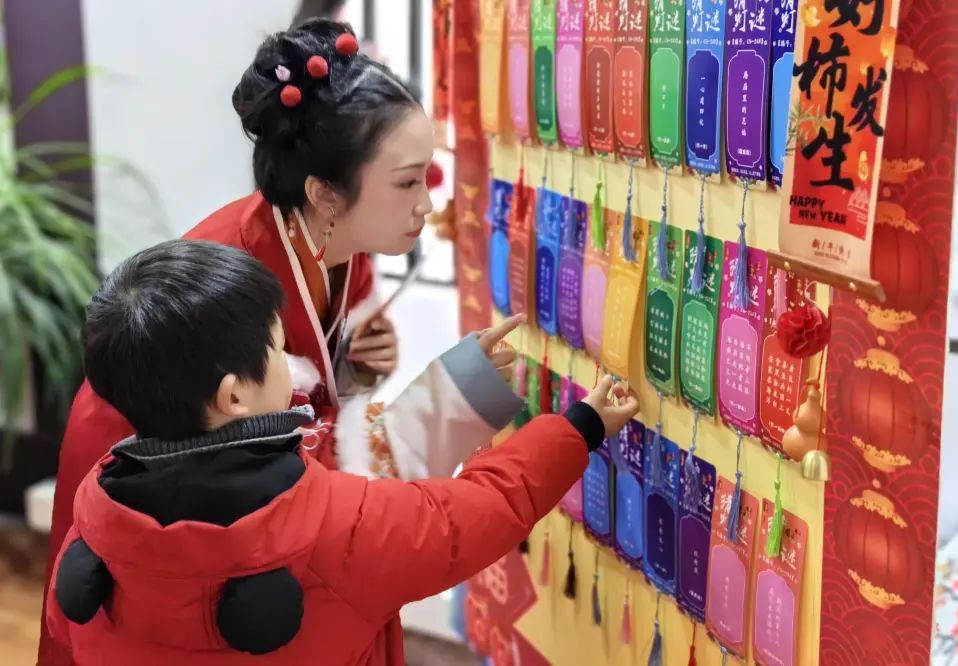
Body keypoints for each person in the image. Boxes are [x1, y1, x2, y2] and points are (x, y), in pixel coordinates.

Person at [40, 19, 475, 664]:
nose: (426, 204)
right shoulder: (236, 270)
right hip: (153, 463)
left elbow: (304, 389)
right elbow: (229, 427)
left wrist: (354, 366)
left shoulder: (341, 240)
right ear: (326, 193)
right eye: (408, 181)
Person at [45, 240, 639, 665]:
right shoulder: (337, 526)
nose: (289, 362)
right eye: (277, 349)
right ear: (233, 396)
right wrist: (579, 428)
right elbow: (473, 514)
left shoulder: (93, 527)